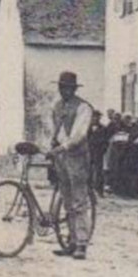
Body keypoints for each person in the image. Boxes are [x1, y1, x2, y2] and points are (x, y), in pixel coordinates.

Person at [48, 71, 96, 259]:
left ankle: (82, 243)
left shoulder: (83, 107)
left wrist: (64, 146)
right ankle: (72, 241)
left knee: (78, 201)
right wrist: (54, 146)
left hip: (77, 157)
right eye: (61, 87)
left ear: (73, 89)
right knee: (67, 200)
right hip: (62, 157)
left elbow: (79, 134)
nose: (63, 91)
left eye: (67, 88)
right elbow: (56, 130)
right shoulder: (57, 106)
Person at [86, 109, 108, 198]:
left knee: (99, 172)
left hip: (98, 152)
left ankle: (99, 191)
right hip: (88, 152)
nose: (95, 118)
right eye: (94, 117)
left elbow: (106, 141)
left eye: (97, 117)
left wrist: (102, 150)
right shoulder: (86, 127)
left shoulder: (103, 128)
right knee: (88, 171)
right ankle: (88, 191)